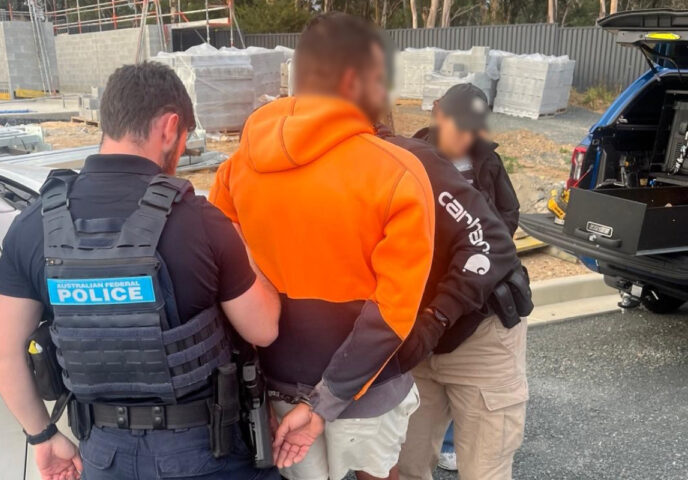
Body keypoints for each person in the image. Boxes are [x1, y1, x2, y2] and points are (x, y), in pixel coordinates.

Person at [0, 62, 282, 480]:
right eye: (185, 140)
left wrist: (43, 437)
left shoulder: (35, 223)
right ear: (170, 127)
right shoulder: (200, 220)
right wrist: (244, 248)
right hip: (203, 452)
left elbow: (1, 355)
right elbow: (263, 329)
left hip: (102, 454)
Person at [209, 12, 435, 480]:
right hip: (367, 388)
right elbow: (394, 312)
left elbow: (223, 287)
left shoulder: (235, 170)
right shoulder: (397, 173)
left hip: (274, 383)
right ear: (355, 79)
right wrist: (326, 400)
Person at [378, 83, 531, 480]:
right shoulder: (406, 159)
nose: (464, 136)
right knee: (406, 463)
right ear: (437, 112)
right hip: (418, 338)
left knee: (484, 468)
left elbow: (502, 228)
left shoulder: (488, 162)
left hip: (482, 329)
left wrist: (466, 248)